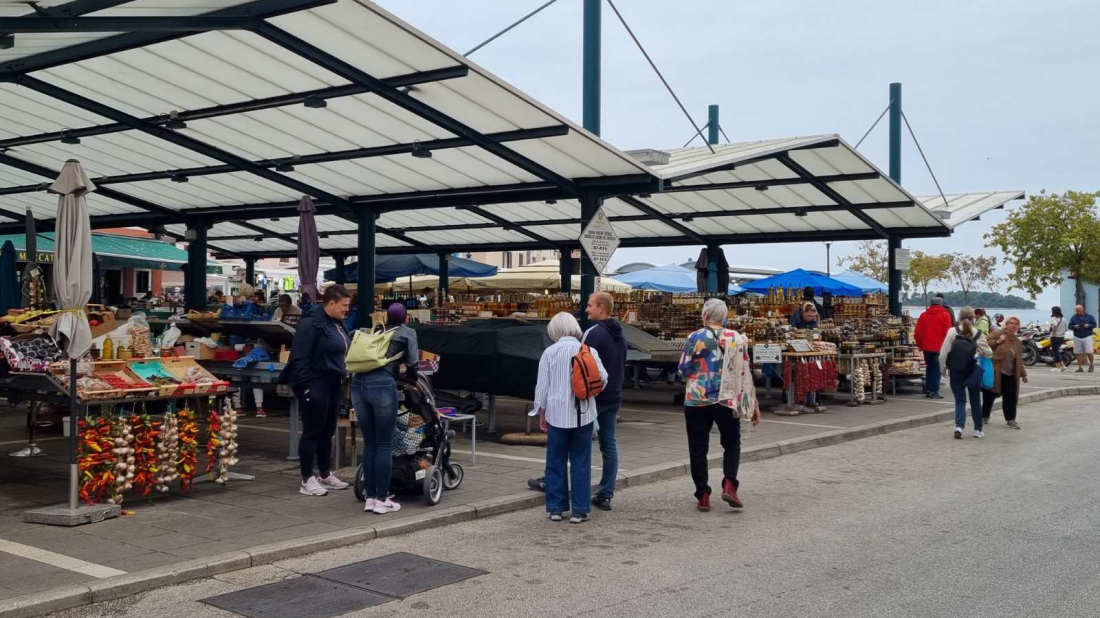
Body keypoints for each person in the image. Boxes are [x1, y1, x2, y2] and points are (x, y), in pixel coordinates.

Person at [679, 298, 761, 512]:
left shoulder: (695, 337)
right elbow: (745, 372)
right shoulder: (736, 337)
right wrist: (753, 402)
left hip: (698, 398)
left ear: (705, 314)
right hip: (727, 399)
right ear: (724, 317)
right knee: (732, 444)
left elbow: (684, 368)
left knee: (698, 447)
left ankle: (703, 494)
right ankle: (729, 484)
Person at [535, 312, 606, 524]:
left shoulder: (549, 352)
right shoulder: (589, 350)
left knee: (555, 461)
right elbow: (603, 378)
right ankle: (580, 509)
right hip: (584, 414)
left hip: (556, 414)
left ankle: (556, 508)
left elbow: (542, 388)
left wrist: (541, 413)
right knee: (581, 461)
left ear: (554, 331)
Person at [283, 285, 352, 496]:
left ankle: (324, 473)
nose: (347, 309)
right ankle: (306, 478)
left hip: (334, 381)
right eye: (344, 305)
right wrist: (306, 387)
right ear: (331, 303)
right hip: (316, 382)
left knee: (327, 430)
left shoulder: (337, 323)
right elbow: (299, 357)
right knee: (313, 431)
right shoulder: (310, 323)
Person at [352, 303, 419, 515]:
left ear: (387, 317)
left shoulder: (375, 330)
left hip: (358, 384)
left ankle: (370, 498)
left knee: (370, 443)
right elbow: (413, 365)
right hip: (382, 385)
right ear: (406, 318)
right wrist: (410, 381)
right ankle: (382, 499)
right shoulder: (407, 333)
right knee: (384, 444)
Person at [940, 307, 993, 439]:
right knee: (975, 400)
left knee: (960, 400)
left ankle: (959, 426)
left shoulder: (953, 331)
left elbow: (943, 353)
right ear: (974, 318)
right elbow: (989, 353)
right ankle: (978, 429)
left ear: (959, 317)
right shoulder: (978, 333)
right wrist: (980, 352)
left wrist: (943, 369)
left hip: (956, 370)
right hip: (972, 369)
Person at [981, 316, 1028, 428]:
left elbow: (1019, 360)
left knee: (1010, 397)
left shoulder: (1017, 342)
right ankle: (984, 416)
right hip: (996, 371)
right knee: (990, 395)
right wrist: (998, 341)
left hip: (1011, 373)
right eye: (1011, 323)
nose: (1013, 325)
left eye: (1016, 324)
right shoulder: (998, 333)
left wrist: (1024, 374)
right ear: (1006, 324)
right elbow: (984, 343)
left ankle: (1011, 419)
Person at [789, 303, 825, 412]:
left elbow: (816, 332)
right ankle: (799, 400)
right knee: (800, 376)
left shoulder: (813, 322)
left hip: (809, 352)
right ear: (803, 313)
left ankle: (810, 400)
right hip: (797, 351)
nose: (811, 318)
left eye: (813, 316)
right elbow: (792, 332)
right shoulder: (795, 318)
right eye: (809, 315)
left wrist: (817, 336)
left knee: (811, 375)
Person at [914, 296, 952, 399]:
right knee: (937, 369)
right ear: (941, 304)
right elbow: (948, 332)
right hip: (939, 346)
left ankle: (929, 390)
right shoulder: (945, 315)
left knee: (929, 367)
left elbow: (918, 332)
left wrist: (920, 344)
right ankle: (934, 391)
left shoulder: (923, 315)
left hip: (926, 346)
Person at [1068, 304, 1096, 373]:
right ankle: (1080, 367)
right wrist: (1075, 326)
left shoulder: (1089, 317)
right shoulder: (1073, 317)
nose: (1078, 312)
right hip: (1077, 336)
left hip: (1087, 336)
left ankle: (1091, 364)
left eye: (1080, 311)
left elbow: (1094, 324)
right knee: (1078, 352)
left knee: (1089, 351)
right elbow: (1069, 326)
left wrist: (1089, 325)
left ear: (1083, 309)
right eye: (1077, 311)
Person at [1049, 306, 1068, 372]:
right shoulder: (1063, 318)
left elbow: (1055, 324)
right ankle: (1063, 366)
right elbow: (1066, 328)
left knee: (1055, 352)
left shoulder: (1053, 318)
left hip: (1055, 337)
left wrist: (1053, 331)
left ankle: (1058, 367)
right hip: (1061, 337)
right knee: (1057, 351)